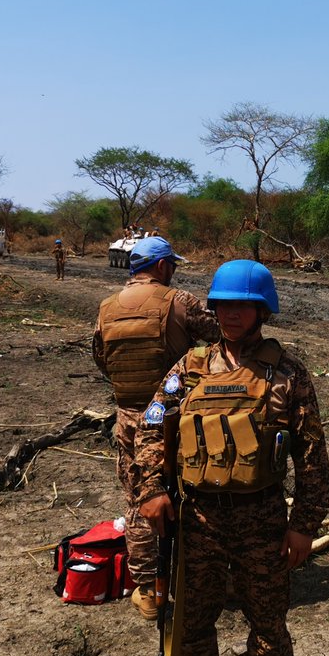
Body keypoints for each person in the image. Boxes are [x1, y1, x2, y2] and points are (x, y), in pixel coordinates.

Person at [138, 260, 329, 656]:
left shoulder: (286, 374)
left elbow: (312, 456)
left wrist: (304, 526)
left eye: (243, 306)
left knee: (268, 617)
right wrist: (152, 489)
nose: (231, 315)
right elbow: (149, 427)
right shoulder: (190, 367)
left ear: (262, 310)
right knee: (191, 617)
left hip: (261, 516)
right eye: (223, 305)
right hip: (198, 518)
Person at [91, 236, 220, 620]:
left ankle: (149, 591)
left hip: (128, 420)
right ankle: (198, 581)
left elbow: (101, 360)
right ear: (163, 267)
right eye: (173, 266)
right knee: (194, 496)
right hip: (174, 421)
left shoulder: (105, 308)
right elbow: (220, 337)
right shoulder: (179, 301)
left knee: (139, 502)